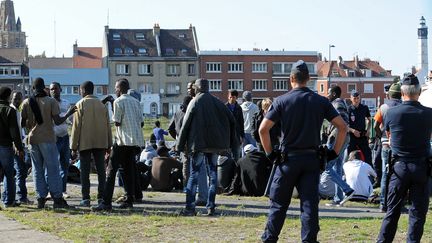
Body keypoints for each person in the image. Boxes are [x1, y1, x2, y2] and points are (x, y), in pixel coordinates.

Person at [259, 60, 347, 242]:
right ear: (308, 79)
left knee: (278, 205)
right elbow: (342, 127)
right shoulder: (320, 101)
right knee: (309, 207)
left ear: (291, 78)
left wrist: (270, 154)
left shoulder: (282, 101)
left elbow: (263, 129)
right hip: (311, 160)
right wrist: (334, 153)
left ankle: (269, 239)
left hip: (287, 160)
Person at [377, 74, 432, 242]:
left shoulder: (391, 113)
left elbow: (389, 136)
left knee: (392, 212)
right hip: (421, 166)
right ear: (419, 92)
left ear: (402, 92)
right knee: (417, 213)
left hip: (399, 166)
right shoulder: (429, 113)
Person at [177, 78, 237, 216]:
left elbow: (185, 125)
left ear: (197, 88)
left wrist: (180, 146)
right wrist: (228, 141)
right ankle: (211, 207)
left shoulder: (195, 101)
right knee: (213, 176)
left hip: (198, 144)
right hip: (215, 145)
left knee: (194, 176)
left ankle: (190, 208)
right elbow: (232, 119)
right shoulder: (218, 102)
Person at [21, 77, 75, 209]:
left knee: (37, 170)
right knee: (53, 169)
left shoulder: (27, 102)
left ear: (33, 89)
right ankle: (57, 198)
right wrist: (68, 114)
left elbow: (22, 123)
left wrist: (31, 128)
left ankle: (40, 198)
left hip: (33, 140)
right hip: (48, 138)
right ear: (44, 88)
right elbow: (57, 121)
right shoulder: (51, 101)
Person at [93, 78, 145, 211]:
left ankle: (106, 202)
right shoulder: (136, 102)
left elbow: (117, 122)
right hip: (134, 142)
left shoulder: (118, 101)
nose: (115, 90)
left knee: (111, 170)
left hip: (121, 141)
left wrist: (111, 103)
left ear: (120, 89)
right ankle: (129, 199)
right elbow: (141, 122)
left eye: (116, 88)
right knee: (128, 171)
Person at [70, 81, 112, 207]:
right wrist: (109, 144)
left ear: (83, 90)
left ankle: (86, 198)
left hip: (85, 142)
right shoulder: (101, 105)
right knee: (101, 171)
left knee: (84, 172)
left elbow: (76, 127)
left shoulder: (80, 104)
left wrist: (73, 146)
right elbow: (108, 126)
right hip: (101, 142)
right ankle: (101, 198)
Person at [324, 86, 354, 207]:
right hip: (343, 137)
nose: (327, 95)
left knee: (325, 165)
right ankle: (338, 198)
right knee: (337, 167)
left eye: (329, 92)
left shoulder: (337, 104)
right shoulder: (341, 103)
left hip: (337, 137)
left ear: (334, 94)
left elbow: (342, 122)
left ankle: (347, 190)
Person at [374, 82, 402, 212]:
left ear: (389, 95)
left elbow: (375, 126)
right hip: (399, 145)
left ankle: (383, 204)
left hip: (385, 144)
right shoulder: (403, 106)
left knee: (385, 174)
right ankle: (397, 204)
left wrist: (382, 137)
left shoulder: (383, 107)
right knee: (399, 174)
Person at [0, 87, 24, 207]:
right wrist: (19, 148)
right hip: (5, 146)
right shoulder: (10, 110)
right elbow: (14, 131)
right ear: (8, 96)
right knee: (9, 174)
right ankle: (9, 201)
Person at [49, 82, 72, 198]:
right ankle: (51, 190)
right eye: (51, 89)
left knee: (64, 164)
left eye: (56, 89)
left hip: (65, 136)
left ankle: (63, 190)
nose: (53, 91)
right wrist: (68, 115)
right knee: (52, 165)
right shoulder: (48, 103)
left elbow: (71, 120)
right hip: (53, 138)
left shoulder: (66, 103)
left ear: (60, 89)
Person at [10, 91, 32, 205]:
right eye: (15, 99)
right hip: (15, 146)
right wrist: (18, 146)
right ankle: (21, 197)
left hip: (21, 144)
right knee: (20, 171)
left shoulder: (19, 111)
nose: (17, 101)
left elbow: (20, 129)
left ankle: (17, 196)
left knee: (21, 170)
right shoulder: (11, 111)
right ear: (11, 99)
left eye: (19, 99)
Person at [347, 90, 372, 165]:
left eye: (358, 98)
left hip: (362, 136)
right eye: (354, 98)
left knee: (367, 155)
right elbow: (344, 125)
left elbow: (370, 120)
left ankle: (370, 174)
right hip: (352, 137)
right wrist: (353, 130)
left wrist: (368, 130)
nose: (356, 100)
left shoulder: (364, 108)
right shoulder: (348, 109)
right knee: (351, 156)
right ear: (351, 98)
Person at [226, 89, 244, 162]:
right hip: (227, 135)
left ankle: (236, 171)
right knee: (227, 155)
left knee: (236, 155)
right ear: (228, 97)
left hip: (236, 134)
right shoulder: (225, 107)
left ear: (236, 97)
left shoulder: (239, 108)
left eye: (233, 97)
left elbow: (241, 122)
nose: (231, 99)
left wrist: (242, 136)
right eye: (230, 97)